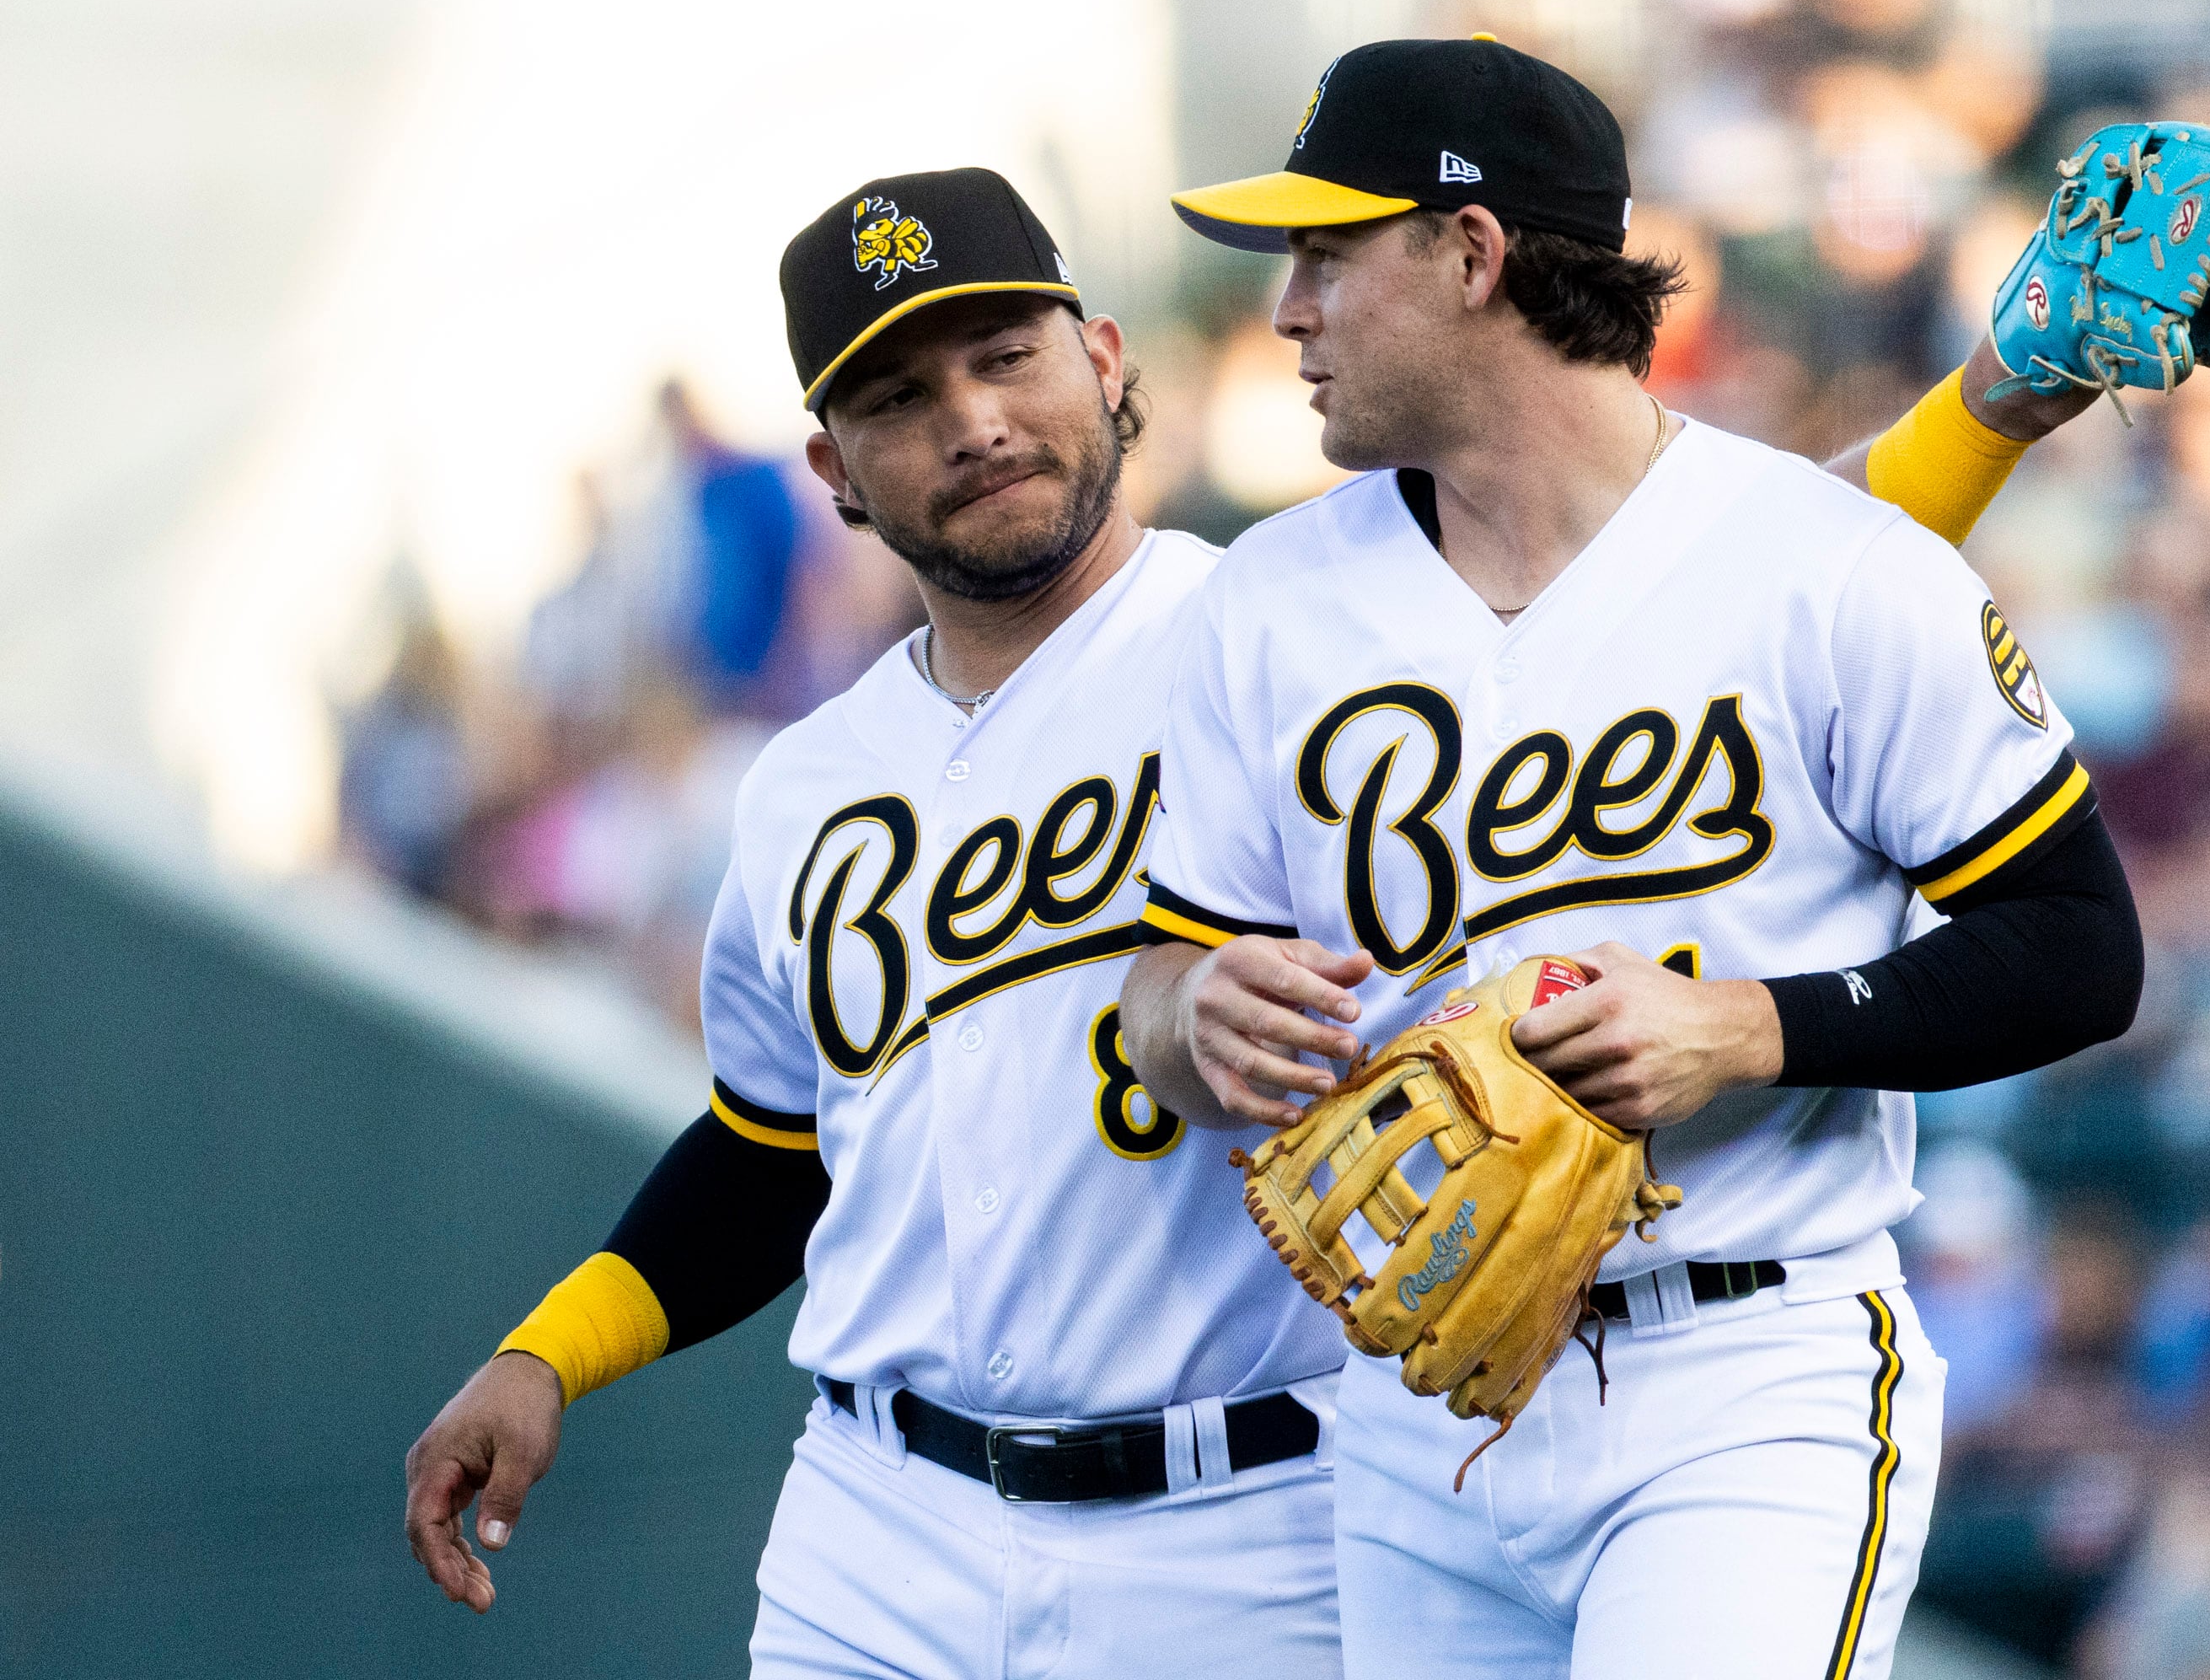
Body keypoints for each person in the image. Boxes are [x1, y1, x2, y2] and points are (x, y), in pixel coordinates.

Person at [401, 146, 2091, 1676]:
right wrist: (547, 1355)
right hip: (879, 1519)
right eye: (905, 397)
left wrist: (1989, 413)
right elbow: (772, 1150)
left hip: (1248, 1501)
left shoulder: (1297, 621)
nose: (978, 417)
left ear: (1109, 360)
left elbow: (1731, 582)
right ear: (833, 466)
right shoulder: (799, 793)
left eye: (1008, 356)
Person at [1118, 35, 2143, 1680]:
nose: (1286, 309)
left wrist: (1755, 1024)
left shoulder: (1829, 568)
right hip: (1412, 1409)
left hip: (1744, 1374)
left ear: (1472, 253)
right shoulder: (1266, 602)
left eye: (1325, 251)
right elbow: (1166, 994)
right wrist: (1191, 1014)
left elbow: (2082, 946)